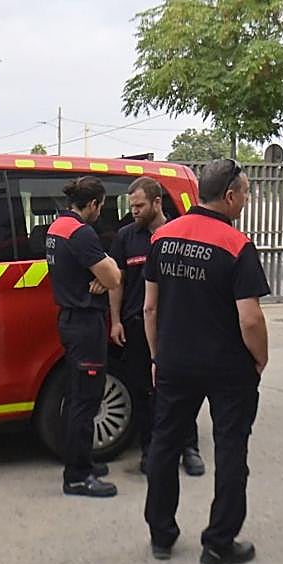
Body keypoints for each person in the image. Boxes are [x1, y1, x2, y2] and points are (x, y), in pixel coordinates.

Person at [142, 159, 269, 564]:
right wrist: (260, 359)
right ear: (230, 196)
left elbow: (149, 308)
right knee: (231, 449)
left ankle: (161, 534)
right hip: (228, 367)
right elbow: (250, 318)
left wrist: (157, 355)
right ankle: (218, 544)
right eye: (246, 194)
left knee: (164, 445)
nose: (246, 201)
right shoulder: (236, 245)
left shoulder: (163, 237)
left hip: (175, 360)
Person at [108, 176, 204, 476]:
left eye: (139, 205)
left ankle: (189, 447)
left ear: (157, 202)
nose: (134, 211)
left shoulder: (180, 233)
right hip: (136, 326)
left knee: (182, 389)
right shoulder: (126, 237)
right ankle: (151, 450)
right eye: (131, 206)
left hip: (176, 326)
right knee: (144, 391)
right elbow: (117, 283)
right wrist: (115, 321)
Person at [46, 175, 123, 497]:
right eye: (100, 206)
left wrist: (99, 276)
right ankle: (77, 476)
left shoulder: (56, 228)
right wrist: (104, 276)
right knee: (86, 400)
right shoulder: (82, 233)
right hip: (85, 323)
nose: (99, 212)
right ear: (92, 204)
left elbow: (100, 274)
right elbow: (114, 277)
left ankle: (82, 460)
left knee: (79, 394)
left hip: (69, 319)